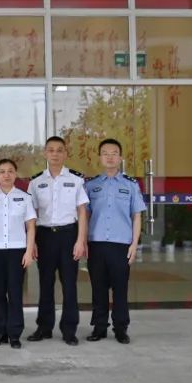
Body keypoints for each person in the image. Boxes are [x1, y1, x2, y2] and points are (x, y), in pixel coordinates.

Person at [26, 136, 90, 346]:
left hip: (68, 235)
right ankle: (44, 327)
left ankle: (69, 330)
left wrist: (81, 241)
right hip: (44, 236)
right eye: (51, 150)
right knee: (45, 283)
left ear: (65, 154)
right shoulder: (36, 182)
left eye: (59, 150)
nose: (55, 154)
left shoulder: (76, 180)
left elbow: (82, 212)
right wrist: (32, 242)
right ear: (45, 153)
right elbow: (31, 215)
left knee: (69, 284)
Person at [85, 138, 146, 345]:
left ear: (120, 158)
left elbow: (137, 215)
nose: (110, 157)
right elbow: (85, 216)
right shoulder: (91, 186)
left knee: (120, 289)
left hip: (121, 245)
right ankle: (99, 327)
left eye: (114, 153)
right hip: (96, 244)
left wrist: (134, 244)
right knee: (98, 288)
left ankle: (121, 328)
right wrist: (83, 242)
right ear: (100, 157)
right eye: (105, 153)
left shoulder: (130, 185)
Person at [0, 159, 37, 349]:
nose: (6, 175)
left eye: (10, 171)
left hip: (17, 251)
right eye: (2, 171)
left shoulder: (25, 197)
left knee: (15, 293)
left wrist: (29, 251)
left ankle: (14, 334)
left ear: (15, 174)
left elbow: (30, 226)